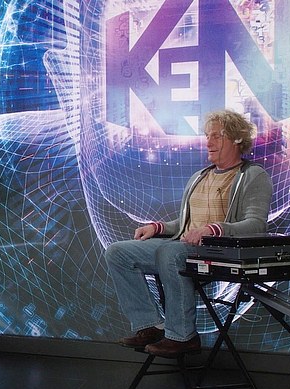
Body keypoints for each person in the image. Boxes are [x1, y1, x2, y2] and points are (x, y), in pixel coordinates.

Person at [104, 110, 272, 358]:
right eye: (207, 135)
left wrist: (214, 230)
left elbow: (256, 225)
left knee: (170, 253)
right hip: (183, 246)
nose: (209, 142)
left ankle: (182, 336)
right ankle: (150, 326)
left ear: (237, 139)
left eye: (217, 136)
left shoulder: (253, 175)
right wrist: (159, 228)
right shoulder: (199, 177)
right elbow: (186, 224)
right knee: (117, 252)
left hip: (218, 251)